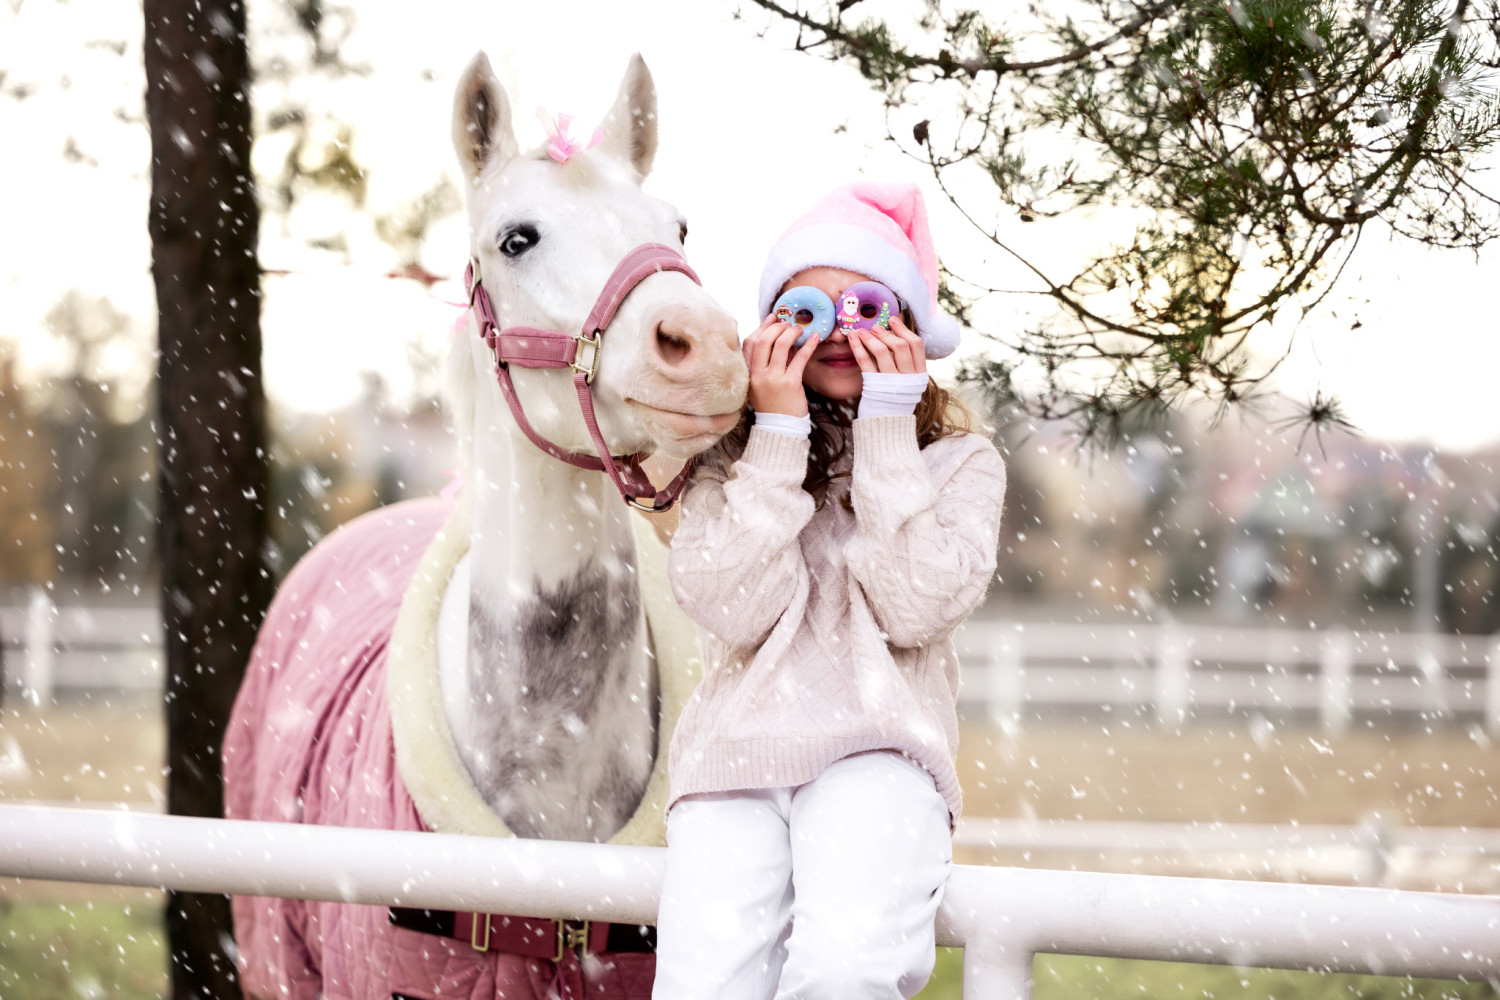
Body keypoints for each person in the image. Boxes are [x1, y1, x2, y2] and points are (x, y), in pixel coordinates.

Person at [652, 181, 1007, 999]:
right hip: (733, 762)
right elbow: (732, 608)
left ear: (912, 325)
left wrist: (889, 427)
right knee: (700, 986)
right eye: (807, 310)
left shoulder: (959, 463)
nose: (841, 333)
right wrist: (775, 436)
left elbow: (915, 607)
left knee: (844, 973)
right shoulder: (726, 465)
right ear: (771, 329)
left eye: (869, 308)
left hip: (878, 753)